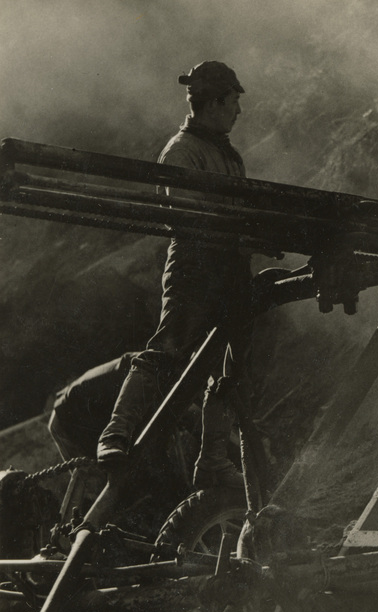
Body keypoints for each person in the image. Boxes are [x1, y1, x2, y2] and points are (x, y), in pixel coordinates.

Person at [96, 61, 251, 489]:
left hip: (229, 266)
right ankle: (117, 433)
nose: (239, 111)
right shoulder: (183, 151)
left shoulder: (223, 151)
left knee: (225, 366)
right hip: (197, 267)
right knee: (169, 347)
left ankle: (214, 458)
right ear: (216, 102)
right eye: (234, 101)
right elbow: (184, 217)